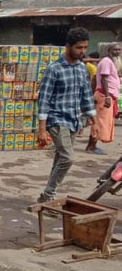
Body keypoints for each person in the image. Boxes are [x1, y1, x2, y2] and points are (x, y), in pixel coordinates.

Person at [36, 27, 100, 204]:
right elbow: (44, 99)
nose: (83, 51)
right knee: (68, 158)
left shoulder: (81, 69)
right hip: (56, 119)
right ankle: (48, 195)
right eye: (79, 48)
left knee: (60, 160)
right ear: (68, 46)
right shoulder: (54, 69)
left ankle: (48, 195)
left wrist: (94, 122)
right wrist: (42, 129)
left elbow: (86, 96)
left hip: (74, 120)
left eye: (85, 47)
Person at [86, 43, 121, 155]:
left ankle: (91, 146)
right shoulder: (106, 61)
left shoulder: (110, 62)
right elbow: (104, 79)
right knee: (100, 122)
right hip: (104, 96)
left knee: (100, 122)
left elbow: (96, 79)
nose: (117, 52)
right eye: (115, 50)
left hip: (107, 95)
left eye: (119, 50)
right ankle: (91, 147)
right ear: (109, 50)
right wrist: (106, 97)